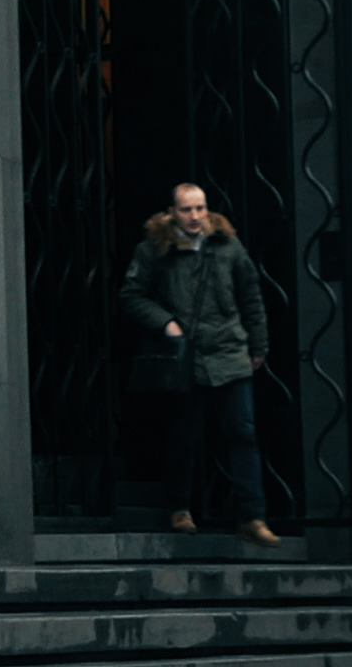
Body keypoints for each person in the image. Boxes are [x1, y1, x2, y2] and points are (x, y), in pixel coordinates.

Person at [120, 182, 280, 548]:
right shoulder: (154, 249)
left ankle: (252, 517)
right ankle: (180, 509)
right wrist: (166, 323)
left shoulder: (227, 245)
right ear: (172, 212)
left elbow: (251, 296)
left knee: (243, 434)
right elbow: (132, 296)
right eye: (187, 209)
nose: (195, 216)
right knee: (184, 435)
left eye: (200, 208)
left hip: (229, 351)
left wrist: (258, 345)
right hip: (187, 356)